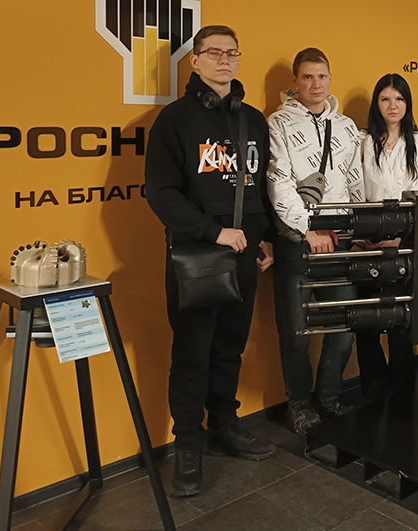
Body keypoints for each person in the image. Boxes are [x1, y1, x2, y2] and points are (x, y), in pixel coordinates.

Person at [145, 25, 275, 497]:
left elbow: (260, 188)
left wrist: (266, 238)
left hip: (244, 253)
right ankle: (188, 446)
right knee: (192, 354)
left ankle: (224, 425)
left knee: (228, 348)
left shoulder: (253, 120)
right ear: (195, 60)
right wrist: (211, 230)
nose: (224, 60)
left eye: (232, 53)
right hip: (196, 256)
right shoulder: (174, 119)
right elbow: (160, 191)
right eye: (214, 52)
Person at [267, 47, 364, 434]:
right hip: (296, 240)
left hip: (340, 240)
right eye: (307, 77)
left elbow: (355, 182)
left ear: (330, 78)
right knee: (295, 331)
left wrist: (356, 232)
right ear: (295, 81)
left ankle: (329, 396)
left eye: (322, 76)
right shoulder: (277, 123)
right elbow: (278, 184)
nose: (316, 84)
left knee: (343, 326)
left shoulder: (346, 127)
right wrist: (308, 228)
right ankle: (300, 404)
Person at [353, 73, 418, 399]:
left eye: (399, 99)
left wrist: (399, 238)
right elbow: (355, 191)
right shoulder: (362, 142)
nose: (393, 105)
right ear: (377, 103)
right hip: (367, 242)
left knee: (401, 320)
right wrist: (363, 236)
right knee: (367, 321)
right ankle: (373, 391)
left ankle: (402, 389)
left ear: (408, 103)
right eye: (385, 99)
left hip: (406, 244)